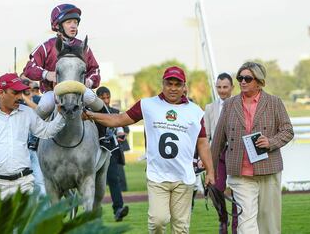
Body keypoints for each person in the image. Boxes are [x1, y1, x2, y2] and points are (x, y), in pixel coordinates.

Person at [85, 66, 215, 234]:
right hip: (157, 176)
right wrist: (91, 115)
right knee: (158, 221)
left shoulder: (195, 111)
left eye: (177, 84)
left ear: (184, 87)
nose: (173, 88)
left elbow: (203, 143)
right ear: (163, 84)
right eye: (169, 84)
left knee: (181, 228)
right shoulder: (147, 105)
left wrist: (210, 172)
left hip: (184, 176)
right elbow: (118, 119)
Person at [211, 62, 294, 234]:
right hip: (240, 173)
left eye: (247, 78)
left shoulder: (274, 102)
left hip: (268, 170)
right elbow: (218, 139)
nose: (242, 82)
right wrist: (210, 170)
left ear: (259, 81)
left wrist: (270, 142)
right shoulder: (229, 104)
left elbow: (287, 131)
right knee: (246, 224)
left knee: (269, 224)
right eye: (240, 78)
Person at [0, 73, 66, 201]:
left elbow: (46, 131)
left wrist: (62, 115)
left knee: (26, 222)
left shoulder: (27, 113)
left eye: (21, 93)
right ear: (1, 92)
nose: (20, 97)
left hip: (23, 184)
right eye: (15, 92)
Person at [23, 3, 99, 92]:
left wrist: (89, 81)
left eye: (75, 22)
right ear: (58, 25)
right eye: (69, 22)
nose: (73, 26)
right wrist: (46, 74)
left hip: (79, 92)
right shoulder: (46, 46)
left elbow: (95, 70)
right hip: (52, 93)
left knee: (93, 99)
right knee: (45, 104)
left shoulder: (84, 47)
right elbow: (29, 69)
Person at [204, 73, 237, 234]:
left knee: (239, 190)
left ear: (232, 87)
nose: (222, 90)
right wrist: (203, 158)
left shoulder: (240, 105)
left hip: (236, 153)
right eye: (219, 87)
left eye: (225, 87)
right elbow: (207, 136)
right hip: (218, 154)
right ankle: (223, 218)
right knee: (214, 187)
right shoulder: (209, 108)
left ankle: (236, 227)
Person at [96, 86, 129, 222]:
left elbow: (122, 128)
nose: (106, 100)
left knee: (114, 180)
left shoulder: (115, 112)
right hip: (95, 152)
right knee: (93, 183)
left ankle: (118, 209)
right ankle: (93, 212)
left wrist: (121, 134)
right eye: (102, 98)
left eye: (107, 97)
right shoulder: (91, 113)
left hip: (111, 151)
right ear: (97, 99)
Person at [20, 78, 46, 196]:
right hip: (20, 149)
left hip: (35, 147)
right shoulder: (17, 102)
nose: (28, 90)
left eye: (30, 89)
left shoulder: (38, 99)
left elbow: (39, 110)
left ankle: (45, 210)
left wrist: (25, 98)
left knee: (39, 181)